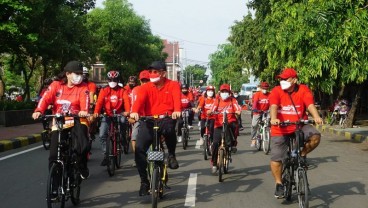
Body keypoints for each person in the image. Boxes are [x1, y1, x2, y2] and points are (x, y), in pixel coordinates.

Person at [269, 68, 323, 199]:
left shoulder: (303, 89)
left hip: (300, 125)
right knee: (276, 157)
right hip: (280, 128)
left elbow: (310, 105)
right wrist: (274, 118)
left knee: (315, 136)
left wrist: (316, 116)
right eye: (281, 79)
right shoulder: (276, 91)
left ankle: (302, 154)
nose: (282, 81)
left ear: (294, 80)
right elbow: (274, 106)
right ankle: (279, 183)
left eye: (285, 79)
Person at [130, 60, 181, 196]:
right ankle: (144, 181)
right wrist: (134, 111)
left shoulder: (173, 85)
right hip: (148, 121)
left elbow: (177, 99)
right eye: (150, 72)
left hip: (166, 119)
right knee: (139, 149)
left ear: (163, 73)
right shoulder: (145, 88)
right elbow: (139, 101)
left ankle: (171, 155)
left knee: (170, 130)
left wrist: (176, 110)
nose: (152, 74)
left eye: (155, 72)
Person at [32, 60, 90, 179]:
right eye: (76, 73)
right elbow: (45, 99)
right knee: (54, 155)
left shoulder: (83, 87)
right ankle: (55, 185)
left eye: (81, 74)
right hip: (60, 121)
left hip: (77, 119)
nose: (79, 76)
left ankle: (82, 166)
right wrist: (39, 110)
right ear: (67, 74)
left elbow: (85, 101)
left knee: (83, 146)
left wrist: (84, 110)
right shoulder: (56, 85)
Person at [93, 70, 130, 166]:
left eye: (114, 79)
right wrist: (96, 112)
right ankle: (106, 155)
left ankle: (123, 139)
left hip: (119, 114)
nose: (112, 81)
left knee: (123, 122)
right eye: (111, 79)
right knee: (102, 134)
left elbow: (127, 102)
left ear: (118, 80)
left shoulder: (122, 91)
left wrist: (127, 112)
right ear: (108, 80)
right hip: (107, 115)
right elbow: (99, 103)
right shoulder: (104, 90)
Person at [207, 84, 241, 174]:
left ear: (229, 93)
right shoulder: (217, 100)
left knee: (235, 126)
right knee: (215, 144)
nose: (224, 93)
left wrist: (237, 111)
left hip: (230, 123)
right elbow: (213, 108)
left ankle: (233, 144)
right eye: (223, 92)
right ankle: (214, 164)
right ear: (220, 92)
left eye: (226, 92)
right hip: (218, 124)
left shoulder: (232, 100)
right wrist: (210, 112)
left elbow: (237, 108)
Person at [130, 69, 150, 166]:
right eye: (143, 81)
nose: (145, 83)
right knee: (134, 136)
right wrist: (133, 114)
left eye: (147, 80)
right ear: (140, 81)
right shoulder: (136, 90)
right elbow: (134, 104)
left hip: (154, 118)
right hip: (141, 118)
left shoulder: (155, 89)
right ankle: (137, 158)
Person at [250, 82, 270, 147]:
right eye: (263, 88)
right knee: (254, 125)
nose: (265, 90)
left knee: (270, 122)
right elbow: (255, 102)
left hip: (266, 112)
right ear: (261, 88)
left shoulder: (270, 94)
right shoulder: (257, 94)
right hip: (257, 112)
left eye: (266, 88)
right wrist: (254, 109)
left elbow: (273, 103)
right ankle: (253, 139)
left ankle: (268, 134)